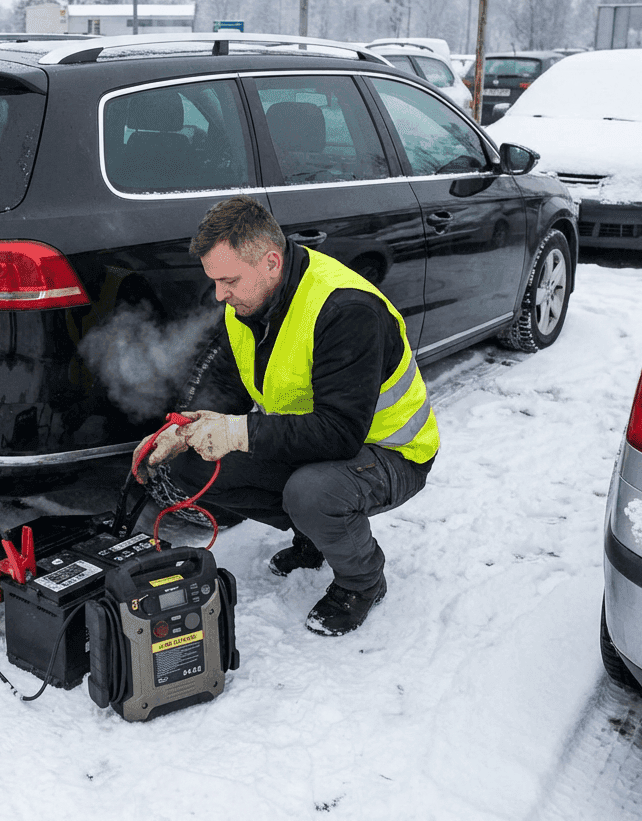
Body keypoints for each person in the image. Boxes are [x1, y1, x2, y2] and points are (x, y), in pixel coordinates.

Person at [132, 195, 439, 636]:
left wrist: (238, 431)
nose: (220, 294)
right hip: (320, 441)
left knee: (311, 492)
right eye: (215, 281)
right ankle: (314, 537)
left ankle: (362, 581)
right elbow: (222, 384)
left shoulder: (346, 309)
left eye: (229, 280)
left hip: (392, 453)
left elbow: (339, 434)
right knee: (192, 463)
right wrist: (179, 431)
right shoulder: (247, 302)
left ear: (271, 262)